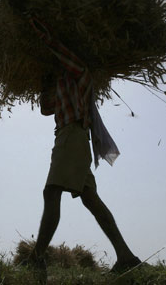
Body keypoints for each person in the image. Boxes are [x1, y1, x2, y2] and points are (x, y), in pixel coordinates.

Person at [24, 18, 141, 277]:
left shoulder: (80, 76)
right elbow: (46, 109)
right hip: (69, 139)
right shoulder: (61, 85)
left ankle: (37, 257)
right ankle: (126, 256)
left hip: (73, 137)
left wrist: (46, 37)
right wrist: (45, 85)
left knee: (51, 192)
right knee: (91, 199)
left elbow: (66, 57)